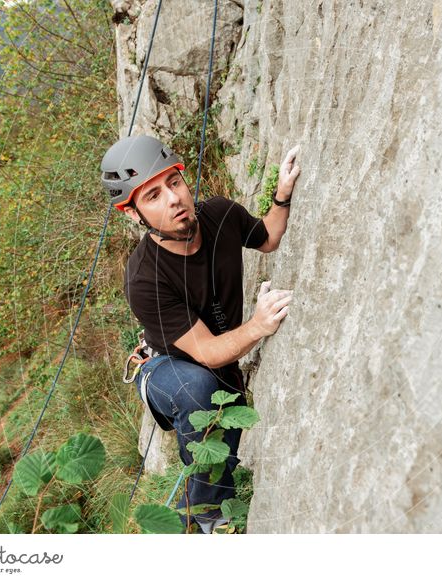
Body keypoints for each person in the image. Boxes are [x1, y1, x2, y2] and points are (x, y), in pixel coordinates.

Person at [100, 134, 301, 533]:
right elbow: (206, 352)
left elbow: (267, 238)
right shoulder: (143, 279)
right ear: (133, 214)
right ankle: (202, 515)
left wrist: (282, 193)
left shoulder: (220, 214)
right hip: (165, 366)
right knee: (199, 391)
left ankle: (202, 503)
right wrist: (259, 325)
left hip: (214, 360)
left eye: (174, 182)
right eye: (153, 196)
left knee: (224, 412)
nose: (173, 199)